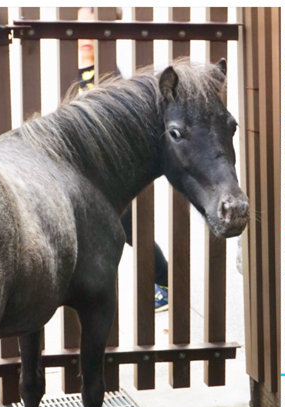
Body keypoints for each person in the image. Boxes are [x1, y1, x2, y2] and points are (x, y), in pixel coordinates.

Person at [77, 7, 169, 311]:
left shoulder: (105, 73)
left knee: (129, 231)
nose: (85, 45)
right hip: (94, 175)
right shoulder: (86, 74)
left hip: (113, 175)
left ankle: (164, 279)